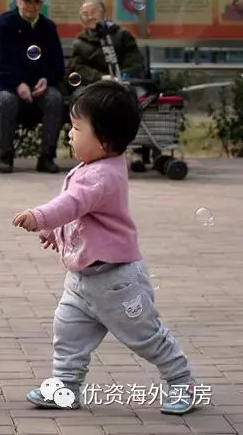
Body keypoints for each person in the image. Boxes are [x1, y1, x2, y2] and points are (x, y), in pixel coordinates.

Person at [12, 80, 198, 416]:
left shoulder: (100, 176)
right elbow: (83, 216)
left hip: (116, 282)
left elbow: (71, 204)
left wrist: (40, 217)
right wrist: (56, 234)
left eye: (77, 128)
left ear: (105, 141)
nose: (70, 134)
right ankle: (65, 387)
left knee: (146, 337)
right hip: (83, 280)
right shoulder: (93, 167)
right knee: (67, 333)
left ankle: (181, 380)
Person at [0, 0, 65, 174]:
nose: (32, 6)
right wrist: (18, 84)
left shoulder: (48, 27)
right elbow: (0, 62)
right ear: (17, 1)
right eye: (27, 1)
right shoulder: (3, 24)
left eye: (37, 2)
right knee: (7, 101)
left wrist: (46, 78)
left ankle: (47, 157)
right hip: (7, 82)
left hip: (38, 83)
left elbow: (56, 62)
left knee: (55, 99)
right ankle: (5, 156)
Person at [67, 0, 146, 90]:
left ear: (104, 15)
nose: (90, 17)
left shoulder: (122, 35)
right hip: (91, 85)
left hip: (123, 83)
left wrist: (120, 78)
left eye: (93, 12)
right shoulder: (80, 42)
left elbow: (134, 61)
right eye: (85, 14)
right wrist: (101, 77)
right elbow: (78, 67)